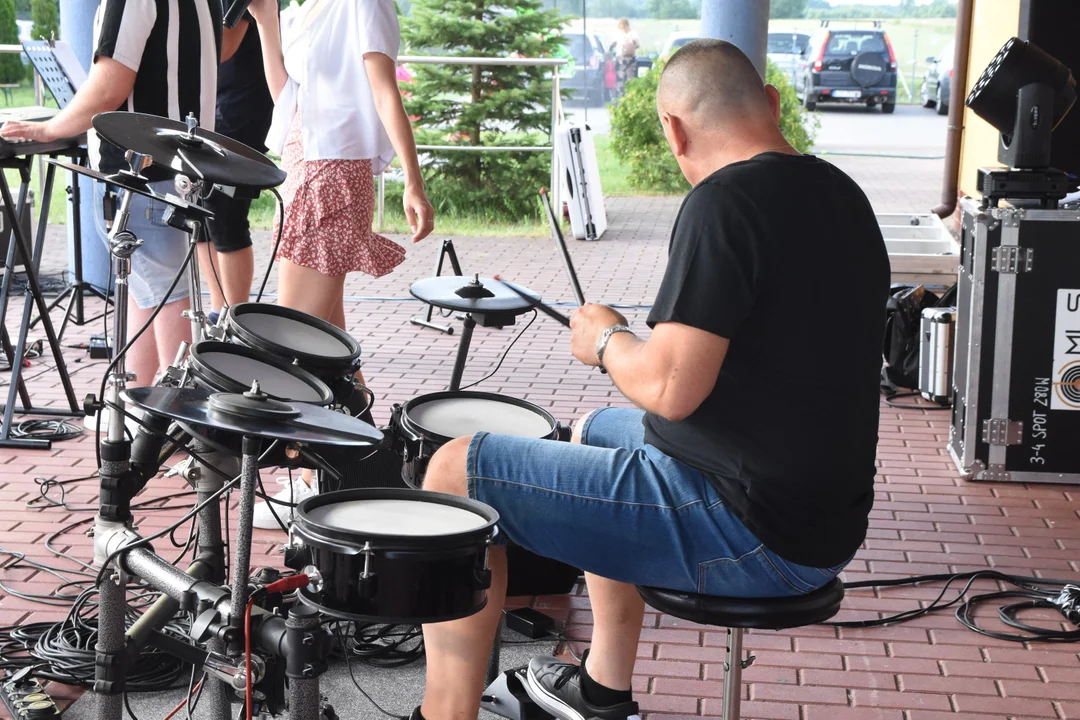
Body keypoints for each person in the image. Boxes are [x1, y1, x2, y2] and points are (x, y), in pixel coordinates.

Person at [414, 39, 890, 720]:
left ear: (672, 127)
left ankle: (443, 713)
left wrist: (605, 338)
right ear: (773, 104)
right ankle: (604, 688)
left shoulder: (727, 202)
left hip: (754, 532)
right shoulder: (841, 194)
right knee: (597, 430)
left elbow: (669, 387)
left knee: (456, 471)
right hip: (820, 517)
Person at [246, 0, 435, 528]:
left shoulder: (362, 3)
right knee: (326, 342)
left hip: (332, 173)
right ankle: (348, 472)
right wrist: (265, 21)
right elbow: (288, 94)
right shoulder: (306, 9)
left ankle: (310, 475)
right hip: (305, 167)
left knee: (293, 344)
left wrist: (412, 183)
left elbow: (384, 89)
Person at [0, 0, 222, 389]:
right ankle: (136, 406)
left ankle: (179, 420)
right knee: (147, 289)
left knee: (169, 294)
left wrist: (47, 129)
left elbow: (108, 89)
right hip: (180, 169)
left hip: (145, 174)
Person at [198, 12, 276, 320]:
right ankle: (219, 309)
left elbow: (220, 47)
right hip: (210, 111)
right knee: (201, 215)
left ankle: (236, 316)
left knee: (225, 216)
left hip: (238, 119)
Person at [613, 17, 639, 95]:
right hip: (631, 59)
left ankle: (620, 95)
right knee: (630, 78)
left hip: (621, 58)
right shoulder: (633, 33)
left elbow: (613, 44)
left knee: (620, 78)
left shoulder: (617, 33)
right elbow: (638, 45)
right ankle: (630, 95)